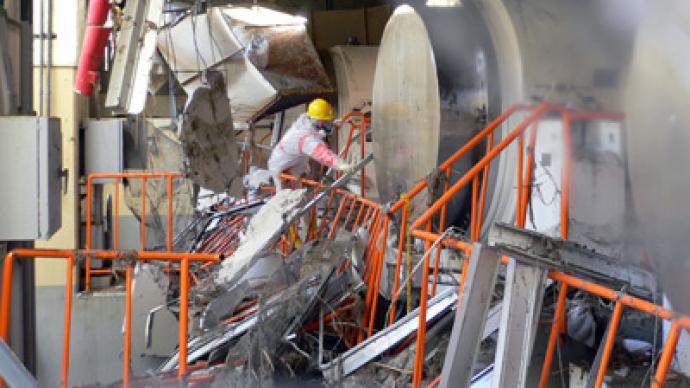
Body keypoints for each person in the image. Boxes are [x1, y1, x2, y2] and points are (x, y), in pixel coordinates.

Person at [268, 98, 352, 190]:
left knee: (300, 193)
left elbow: (317, 132)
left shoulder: (306, 122)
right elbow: (322, 154)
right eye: (324, 121)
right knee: (288, 198)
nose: (327, 124)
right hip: (284, 170)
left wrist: (333, 123)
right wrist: (340, 164)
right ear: (316, 121)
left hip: (294, 164)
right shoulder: (304, 138)